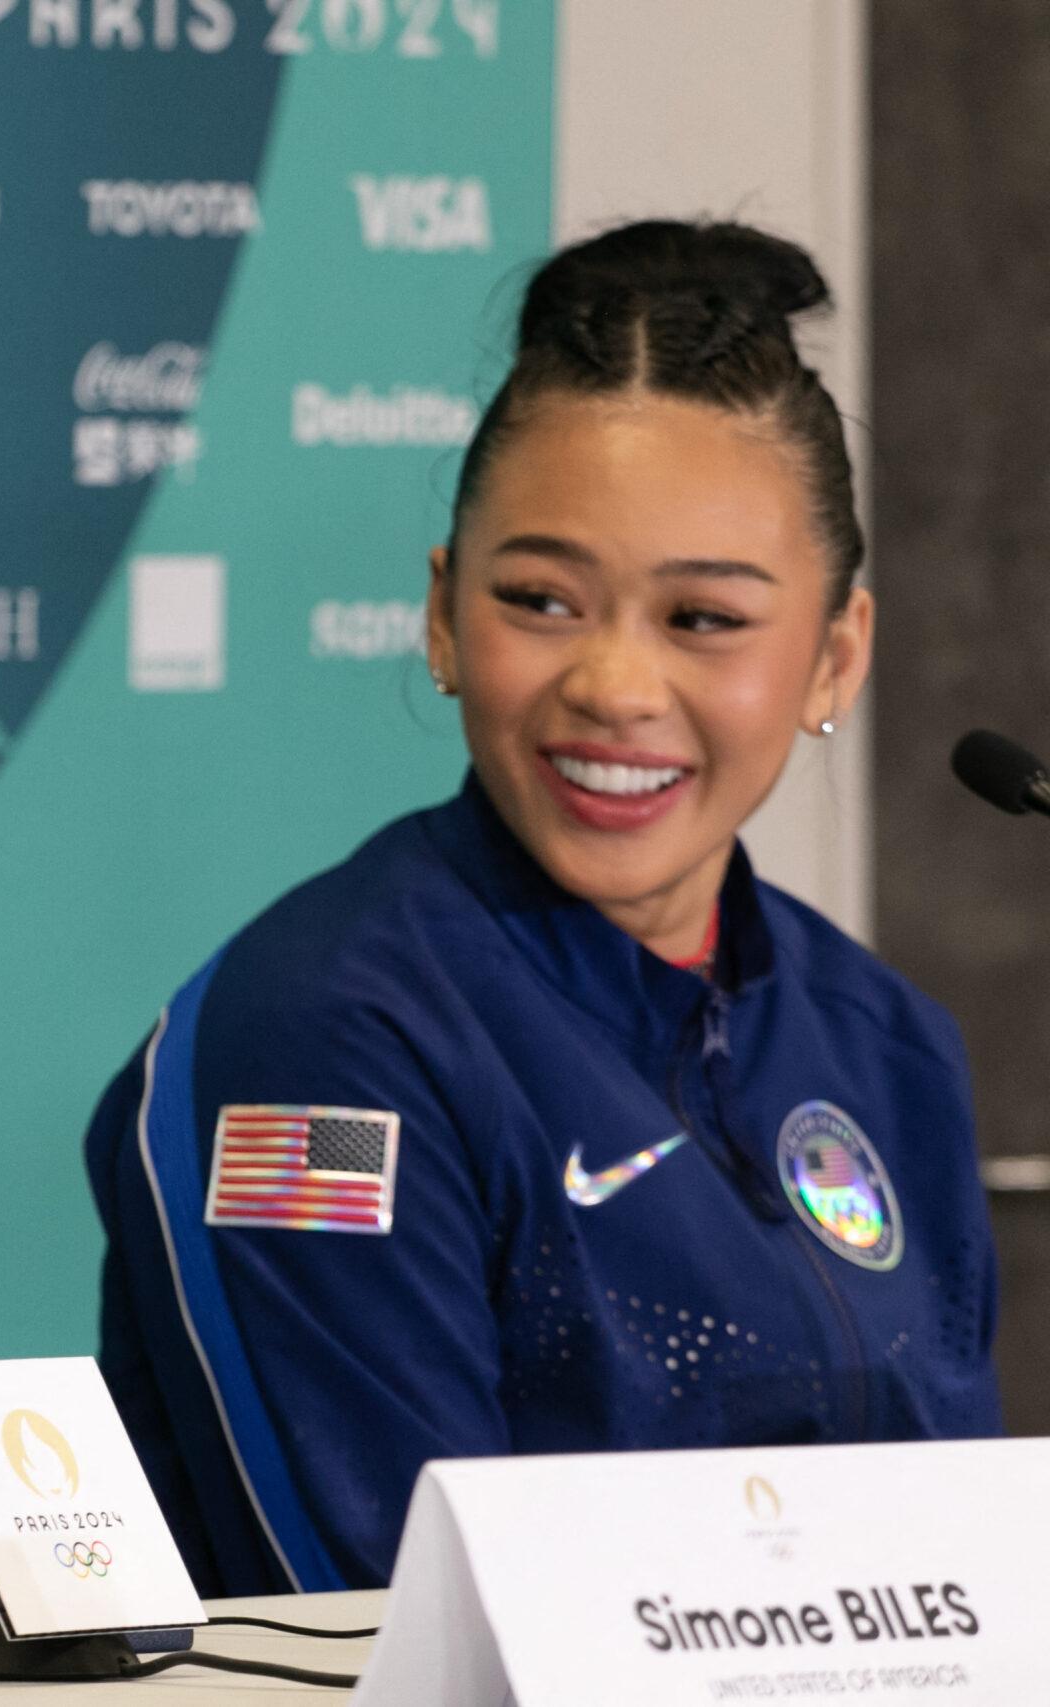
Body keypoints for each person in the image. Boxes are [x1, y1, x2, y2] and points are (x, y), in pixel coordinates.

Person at [82, 221, 1002, 1598]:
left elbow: (965, 1591)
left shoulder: (889, 1048)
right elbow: (398, 1636)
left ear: (835, 656)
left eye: (702, 619)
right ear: (446, 617)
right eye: (543, 600)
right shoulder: (325, 1045)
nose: (616, 686)